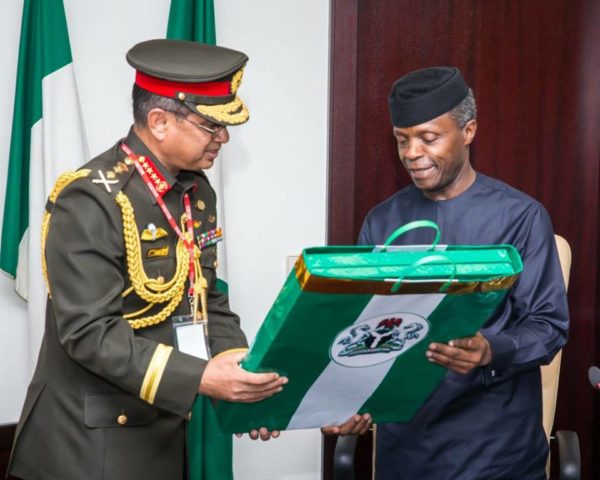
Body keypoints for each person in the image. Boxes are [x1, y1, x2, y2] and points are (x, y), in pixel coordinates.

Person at [8, 39, 287, 480]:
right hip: (88, 447)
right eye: (210, 126)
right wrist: (201, 378)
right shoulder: (90, 198)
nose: (224, 137)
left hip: (160, 427)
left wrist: (241, 374)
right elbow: (89, 333)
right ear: (158, 121)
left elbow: (205, 298)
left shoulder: (194, 192)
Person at [324, 67, 569, 479]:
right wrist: (351, 399)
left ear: (468, 130)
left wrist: (490, 350)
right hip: (407, 451)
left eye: (429, 138)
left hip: (496, 449)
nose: (411, 153)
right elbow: (364, 332)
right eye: (402, 140)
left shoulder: (521, 217)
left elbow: (548, 326)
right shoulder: (383, 223)